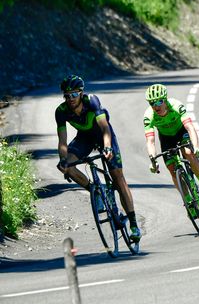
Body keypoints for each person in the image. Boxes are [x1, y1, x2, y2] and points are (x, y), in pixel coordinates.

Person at [55, 75, 141, 242]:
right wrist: (63, 159)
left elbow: (105, 128)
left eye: (74, 94)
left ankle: (133, 224)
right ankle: (95, 191)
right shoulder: (61, 111)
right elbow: (62, 141)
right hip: (84, 138)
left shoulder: (91, 101)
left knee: (118, 178)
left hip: (103, 136)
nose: (70, 99)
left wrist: (107, 146)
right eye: (67, 95)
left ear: (81, 93)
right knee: (69, 167)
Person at [144, 84, 199, 201]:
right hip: (166, 138)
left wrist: (195, 147)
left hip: (181, 132)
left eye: (159, 102)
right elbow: (150, 141)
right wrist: (153, 160)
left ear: (165, 100)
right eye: (152, 103)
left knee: (188, 152)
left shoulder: (176, 106)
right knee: (171, 167)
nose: (156, 106)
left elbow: (190, 127)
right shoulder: (148, 116)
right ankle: (187, 200)